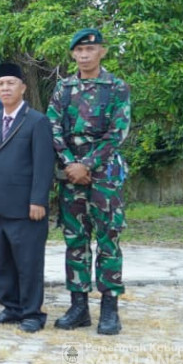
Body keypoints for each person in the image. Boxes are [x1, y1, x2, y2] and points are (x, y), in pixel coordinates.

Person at [48, 28, 131, 336]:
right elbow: (53, 126)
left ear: (102, 52)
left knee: (108, 240)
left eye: (90, 50)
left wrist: (87, 164)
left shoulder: (116, 88)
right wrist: (71, 163)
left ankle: (110, 309)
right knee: (75, 240)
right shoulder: (64, 89)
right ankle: (79, 306)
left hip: (104, 177)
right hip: (71, 178)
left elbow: (116, 133)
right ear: (73, 54)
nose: (84, 55)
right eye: (79, 50)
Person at [0, 63, 54, 333]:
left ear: (22, 87)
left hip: (25, 207)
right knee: (2, 261)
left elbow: (44, 165)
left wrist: (39, 200)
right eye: (1, 84)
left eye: (11, 83)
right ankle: (11, 307)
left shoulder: (37, 121)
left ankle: (32, 312)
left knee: (28, 262)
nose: (5, 88)